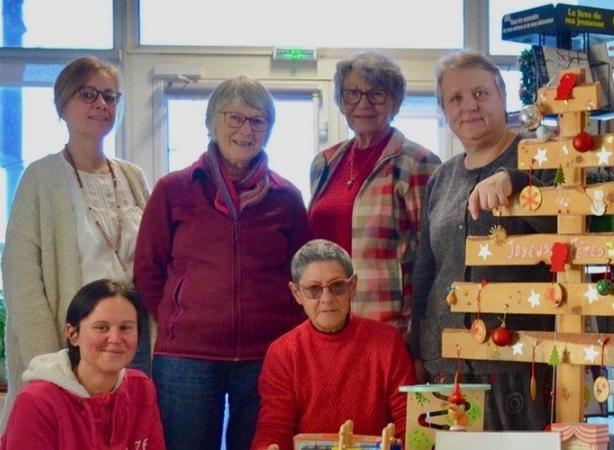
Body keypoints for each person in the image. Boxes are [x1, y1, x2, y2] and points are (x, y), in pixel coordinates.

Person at [134, 75, 312, 450]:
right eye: (235, 118)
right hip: (186, 358)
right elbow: (148, 270)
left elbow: (301, 275)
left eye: (258, 121)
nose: (246, 130)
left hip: (266, 355)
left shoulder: (287, 198)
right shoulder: (173, 189)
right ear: (212, 122)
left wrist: (284, 332)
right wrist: (177, 319)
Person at [0, 56, 151, 430]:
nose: (102, 104)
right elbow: (20, 275)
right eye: (88, 94)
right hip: (71, 346)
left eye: (110, 96)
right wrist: (49, 361)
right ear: (63, 104)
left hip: (130, 339)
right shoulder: (41, 177)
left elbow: (152, 258)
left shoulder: (132, 177)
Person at [410, 50, 556, 431]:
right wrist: (418, 346)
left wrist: (519, 182)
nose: (468, 106)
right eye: (455, 99)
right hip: (446, 364)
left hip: (517, 363)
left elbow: (570, 231)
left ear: (502, 96)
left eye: (479, 93)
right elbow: (427, 268)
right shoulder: (442, 179)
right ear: (444, 111)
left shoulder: (538, 158)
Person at [308, 52, 440, 335]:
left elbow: (429, 261)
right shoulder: (325, 163)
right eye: (352, 93)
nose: (363, 104)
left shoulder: (416, 162)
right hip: (326, 324)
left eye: (376, 94)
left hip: (386, 329)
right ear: (341, 102)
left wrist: (417, 340)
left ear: (395, 101)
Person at [251, 240, 416, 450]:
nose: (327, 299)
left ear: (353, 286)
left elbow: (406, 422)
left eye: (337, 286)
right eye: (314, 290)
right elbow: (274, 428)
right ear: (296, 294)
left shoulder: (388, 342)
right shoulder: (283, 352)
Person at [0, 279, 165, 450]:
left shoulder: (142, 388)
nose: (115, 339)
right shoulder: (37, 401)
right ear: (73, 334)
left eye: (125, 328)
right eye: (101, 327)